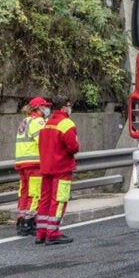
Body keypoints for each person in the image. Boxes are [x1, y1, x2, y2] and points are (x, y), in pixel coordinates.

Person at [36, 99, 80, 245]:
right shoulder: (67, 123)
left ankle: (41, 232)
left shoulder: (46, 122)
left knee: (45, 200)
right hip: (62, 167)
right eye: (69, 106)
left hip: (46, 167)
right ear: (63, 107)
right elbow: (73, 147)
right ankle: (53, 233)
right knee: (59, 200)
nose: (70, 109)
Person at [14, 97, 51, 236]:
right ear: (39, 108)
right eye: (45, 106)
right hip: (34, 163)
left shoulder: (25, 121)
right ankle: (28, 224)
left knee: (23, 192)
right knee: (35, 193)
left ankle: (21, 219)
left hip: (22, 163)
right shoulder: (37, 121)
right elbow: (43, 141)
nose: (47, 109)